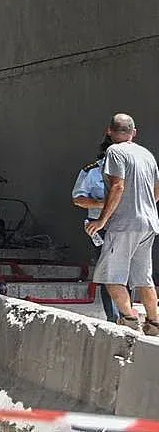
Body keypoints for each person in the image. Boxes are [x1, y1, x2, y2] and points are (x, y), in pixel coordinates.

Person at [85, 114, 159, 334]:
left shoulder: (115, 152)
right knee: (143, 277)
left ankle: (128, 319)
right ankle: (154, 323)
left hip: (124, 225)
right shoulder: (146, 154)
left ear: (109, 131)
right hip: (149, 222)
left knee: (111, 276)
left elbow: (117, 187)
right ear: (134, 133)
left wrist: (102, 220)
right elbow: (157, 189)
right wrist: (144, 205)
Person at [71, 137, 118, 321]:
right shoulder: (92, 172)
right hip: (101, 227)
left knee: (126, 273)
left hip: (124, 226)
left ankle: (126, 313)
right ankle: (113, 316)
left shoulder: (129, 171)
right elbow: (78, 198)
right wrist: (102, 204)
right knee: (108, 272)